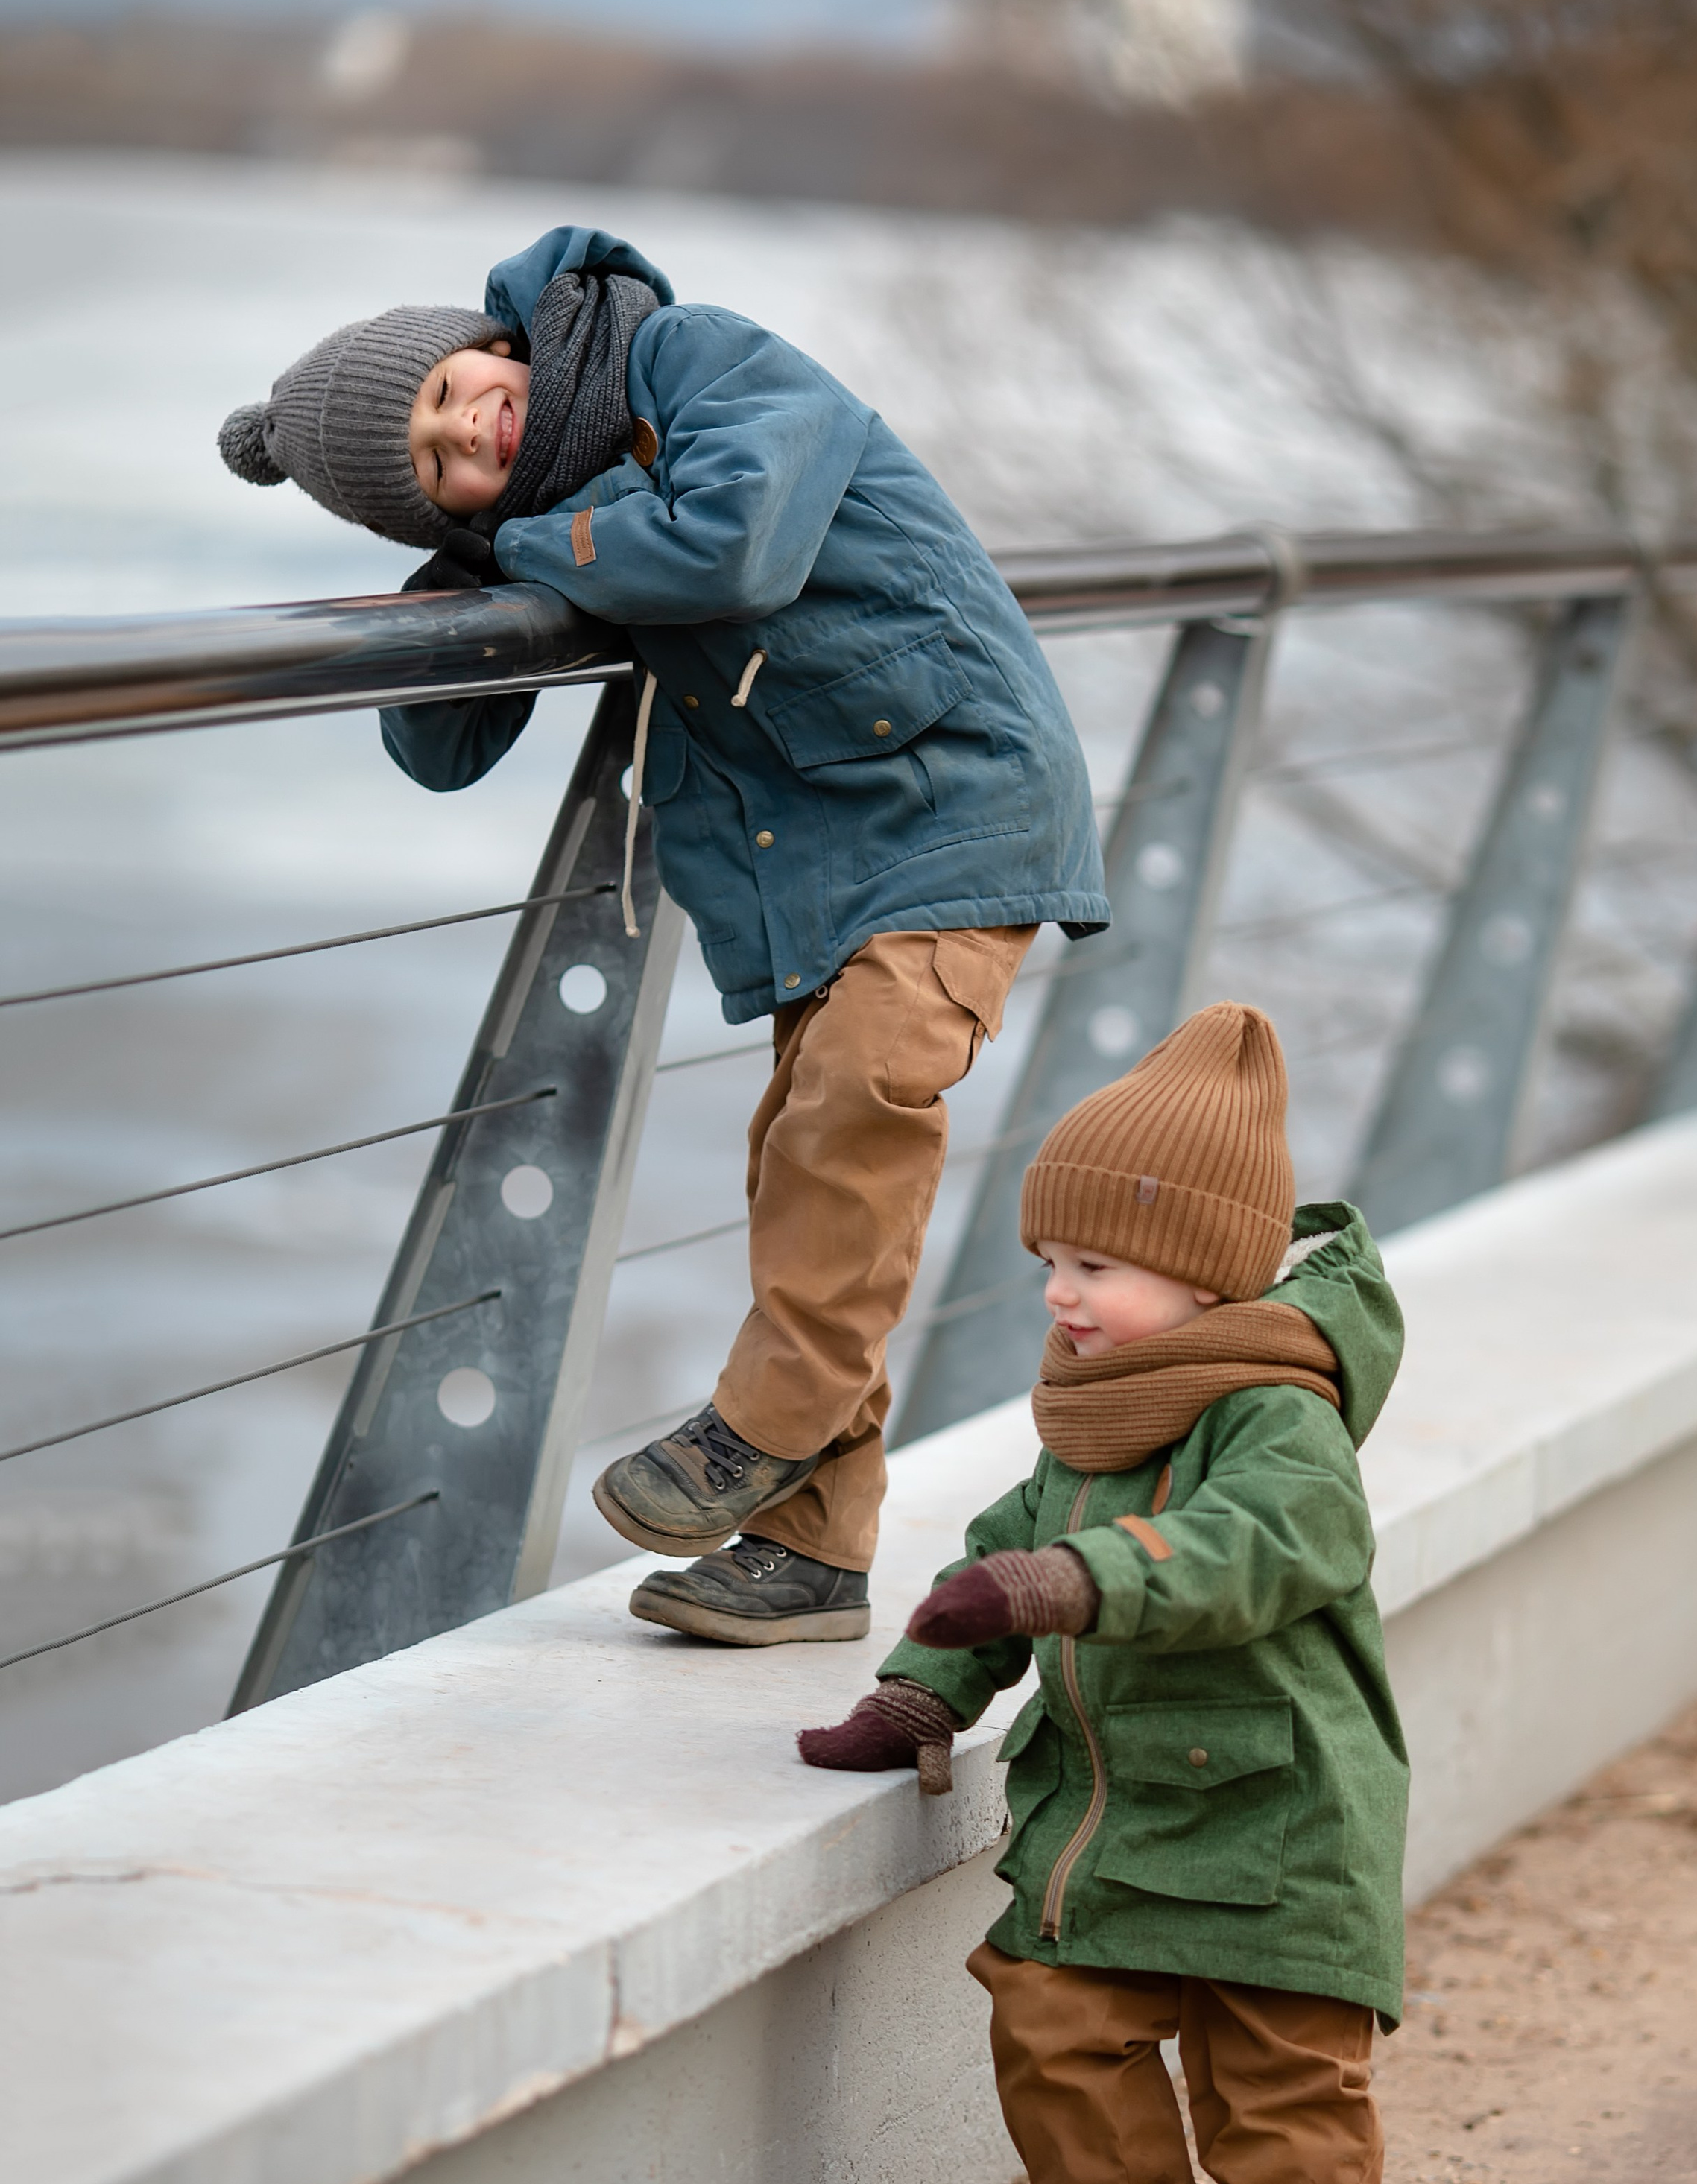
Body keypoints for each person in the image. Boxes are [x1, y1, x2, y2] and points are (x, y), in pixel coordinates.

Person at [218, 224, 1107, 1645]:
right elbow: (441, 747)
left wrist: (512, 533)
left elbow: (735, 544)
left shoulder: (693, 361)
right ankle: (812, 1555)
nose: (469, 427)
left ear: (491, 343)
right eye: (440, 461)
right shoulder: (562, 514)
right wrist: (462, 571)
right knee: (807, 1167)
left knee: (862, 1099)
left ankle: (763, 1425)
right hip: (811, 865)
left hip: (956, 801)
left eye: (451, 388)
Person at [797, 1003, 1408, 2184]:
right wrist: (921, 1690)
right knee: (1051, 2022)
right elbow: (1007, 1556)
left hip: (1279, 1830)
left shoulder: (1280, 1423)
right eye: (1049, 1267)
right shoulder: (1101, 1410)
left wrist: (1072, 1582)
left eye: (1095, 1266)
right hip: (1117, 1825)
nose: (1059, 1296)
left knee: (1282, 2099)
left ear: (1202, 1270)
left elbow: (1249, 1552)